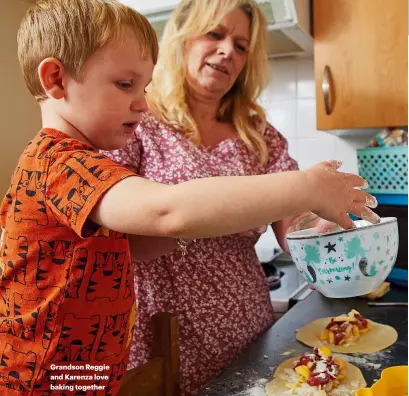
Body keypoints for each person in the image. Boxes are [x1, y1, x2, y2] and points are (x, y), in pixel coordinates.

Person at [0, 0, 378, 394]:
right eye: (214, 33)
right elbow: (166, 211)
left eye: (241, 45)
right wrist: (309, 185)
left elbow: (157, 230)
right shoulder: (80, 155)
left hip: (148, 351)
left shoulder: (256, 133)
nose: (228, 50)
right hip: (107, 355)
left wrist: (312, 225)